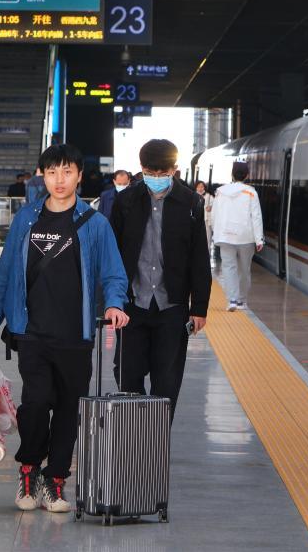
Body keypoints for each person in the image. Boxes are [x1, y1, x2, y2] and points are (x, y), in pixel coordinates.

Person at [0, 144, 129, 514]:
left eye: (67, 172)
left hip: (76, 335)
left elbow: (113, 273)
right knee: (35, 402)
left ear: (79, 176)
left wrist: (114, 303)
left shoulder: (95, 224)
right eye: (52, 172)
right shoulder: (26, 219)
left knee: (67, 409)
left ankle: (55, 478)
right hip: (32, 331)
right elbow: (6, 271)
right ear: (42, 176)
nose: (59, 179)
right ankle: (29, 468)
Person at [110, 140, 211, 419]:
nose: (156, 178)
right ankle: (134, 430)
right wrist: (110, 300)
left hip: (172, 306)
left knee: (167, 379)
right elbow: (112, 253)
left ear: (174, 169)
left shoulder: (191, 203)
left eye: (162, 173)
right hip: (132, 304)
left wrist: (199, 307)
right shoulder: (126, 201)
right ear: (141, 170)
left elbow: (199, 257)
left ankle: (156, 436)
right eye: (149, 173)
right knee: (127, 375)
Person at [211, 162, 263, 311]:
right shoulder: (251, 192)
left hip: (225, 236)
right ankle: (242, 301)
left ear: (232, 174)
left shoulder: (220, 192)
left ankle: (232, 300)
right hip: (245, 236)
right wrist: (259, 239)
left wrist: (216, 232)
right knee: (244, 269)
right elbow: (256, 216)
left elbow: (214, 214)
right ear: (247, 175)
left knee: (228, 268)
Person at [194, 180, 214, 255]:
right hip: (195, 220)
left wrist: (211, 207)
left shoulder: (209, 196)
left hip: (206, 221)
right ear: (196, 187)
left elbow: (215, 205)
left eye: (202, 187)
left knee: (207, 238)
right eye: (198, 187)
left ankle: (207, 254)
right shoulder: (192, 195)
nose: (200, 188)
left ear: (204, 187)